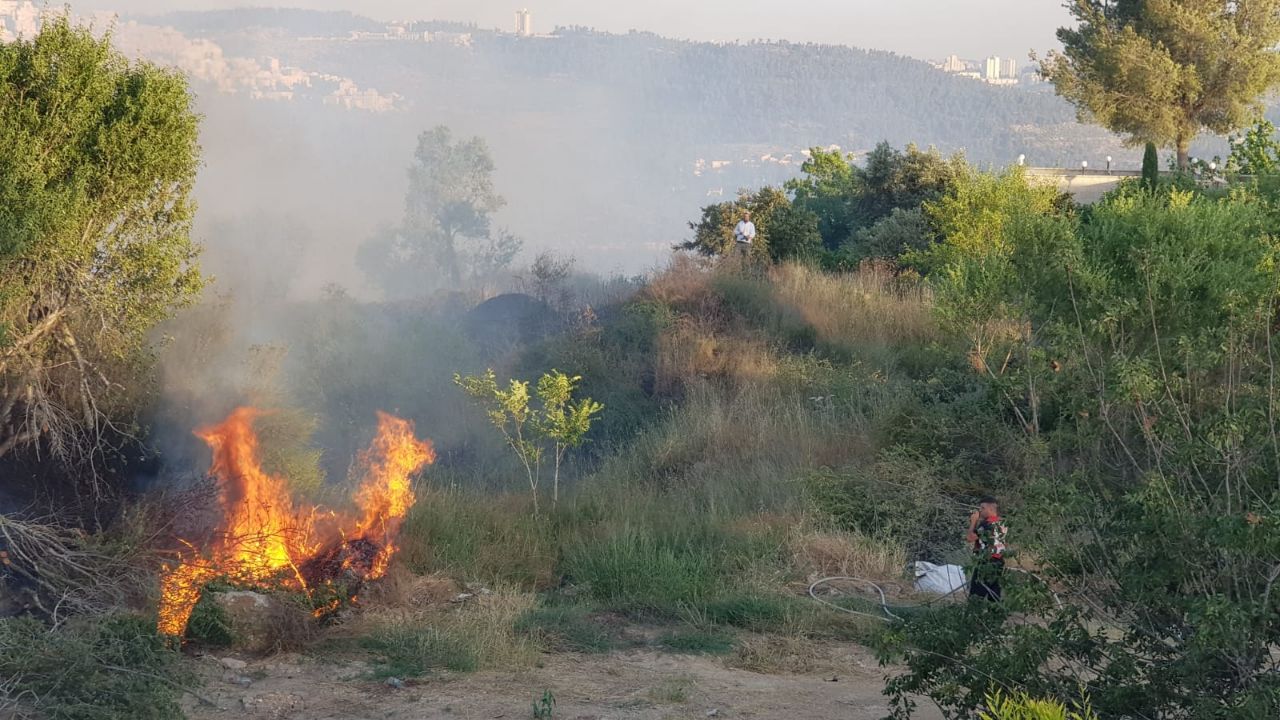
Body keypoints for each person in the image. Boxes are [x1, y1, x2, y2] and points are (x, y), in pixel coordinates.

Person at [966, 495, 1007, 601]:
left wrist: (973, 521)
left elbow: (970, 538)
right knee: (994, 595)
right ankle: (994, 616)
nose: (980, 511)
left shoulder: (986, 524)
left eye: (982, 508)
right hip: (999, 561)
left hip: (985, 562)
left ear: (991, 509)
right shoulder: (1002, 522)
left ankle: (974, 616)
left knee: (975, 596)